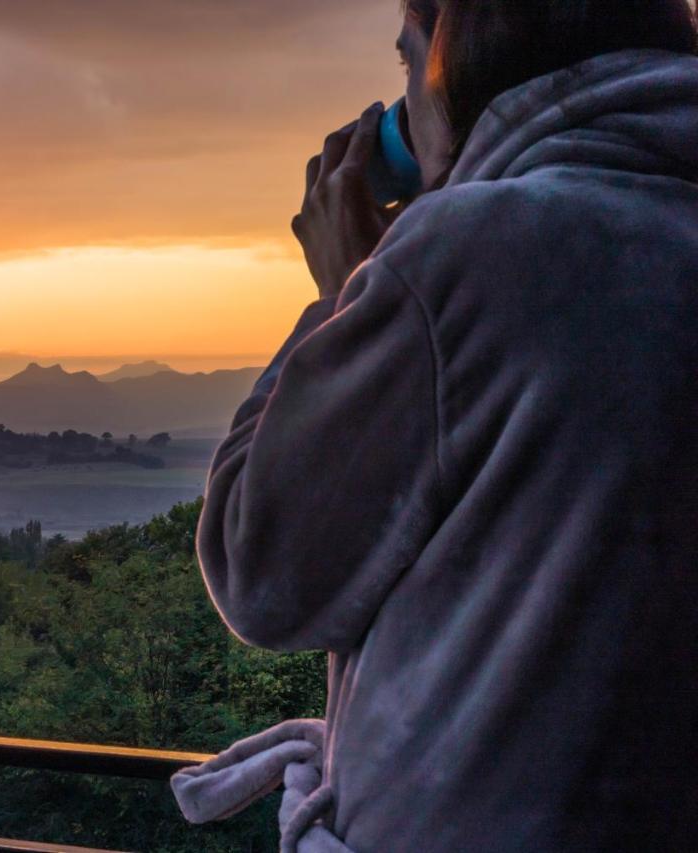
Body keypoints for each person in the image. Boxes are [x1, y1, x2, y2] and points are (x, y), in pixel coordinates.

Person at [194, 1, 698, 849]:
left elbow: (259, 571)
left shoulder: (469, 251)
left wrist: (340, 297)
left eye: (405, 66)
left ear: (456, 57)